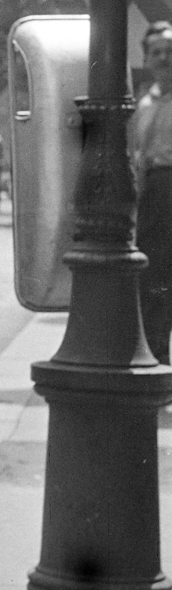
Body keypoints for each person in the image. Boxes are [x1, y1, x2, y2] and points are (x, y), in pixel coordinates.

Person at [132, 21, 172, 364]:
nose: (163, 59)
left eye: (169, 52)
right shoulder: (144, 105)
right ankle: (160, 361)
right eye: (156, 52)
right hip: (154, 196)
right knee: (155, 279)